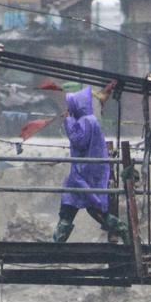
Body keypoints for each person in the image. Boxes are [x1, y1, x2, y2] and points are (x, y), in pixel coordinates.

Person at [52, 86, 128, 242]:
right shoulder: (86, 119)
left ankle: (123, 230)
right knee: (70, 201)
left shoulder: (87, 121)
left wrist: (68, 122)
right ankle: (59, 238)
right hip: (83, 170)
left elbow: (79, 141)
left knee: (93, 206)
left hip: (87, 171)